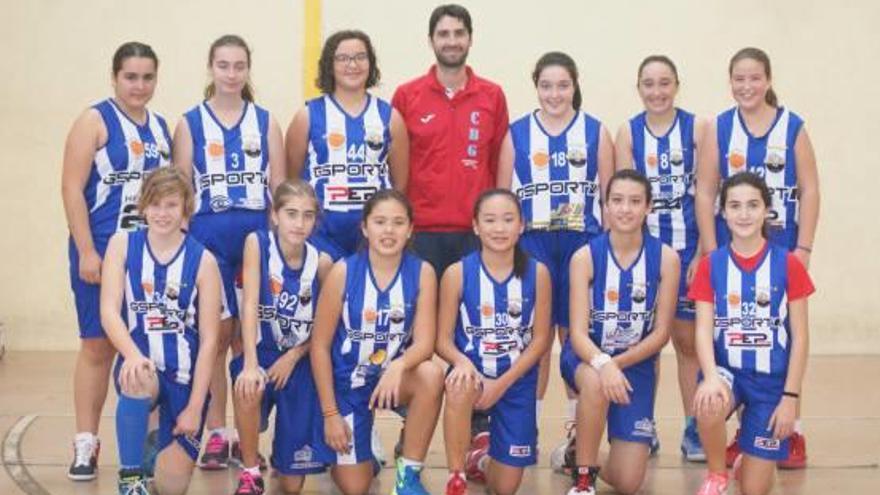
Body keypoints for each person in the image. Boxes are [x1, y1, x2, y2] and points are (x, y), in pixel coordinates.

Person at [695, 47, 819, 469]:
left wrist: (804, 247)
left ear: (768, 80)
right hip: (735, 243)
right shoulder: (719, 127)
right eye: (739, 79)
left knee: (781, 334)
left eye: (754, 78)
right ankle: (745, 430)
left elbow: (810, 189)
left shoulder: (793, 127)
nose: (746, 86)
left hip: (781, 242)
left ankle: (792, 426)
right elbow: (707, 191)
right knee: (742, 330)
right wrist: (712, 250)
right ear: (730, 82)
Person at [496, 51, 614, 472]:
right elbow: (502, 200)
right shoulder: (517, 135)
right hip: (534, 246)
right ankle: (525, 426)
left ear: (574, 85)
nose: (554, 94)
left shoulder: (596, 133)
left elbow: (609, 197)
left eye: (562, 85)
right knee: (536, 340)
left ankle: (573, 428)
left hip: (582, 243)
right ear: (536, 87)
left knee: (575, 336)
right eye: (546, 85)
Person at [173, 34, 285, 470]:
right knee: (216, 337)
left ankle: (247, 434)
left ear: (248, 70)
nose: (232, 74)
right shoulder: (190, 122)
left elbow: (278, 189)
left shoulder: (265, 121)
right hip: (210, 240)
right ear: (211, 68)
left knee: (248, 336)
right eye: (224, 65)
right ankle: (218, 431)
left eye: (239, 66)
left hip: (255, 237)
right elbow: (182, 188)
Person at [61, 41, 171, 481]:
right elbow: (71, 189)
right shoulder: (94, 120)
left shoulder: (161, 127)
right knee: (97, 344)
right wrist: (87, 249)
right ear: (114, 77)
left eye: (147, 77)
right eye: (131, 76)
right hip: (102, 251)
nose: (139, 85)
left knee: (144, 348)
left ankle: (144, 444)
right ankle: (86, 441)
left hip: (147, 256)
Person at [310, 190, 444, 495]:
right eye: (380, 221)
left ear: (410, 229)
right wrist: (331, 415)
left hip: (393, 379)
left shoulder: (422, 272)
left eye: (398, 222)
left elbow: (425, 343)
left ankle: (407, 474)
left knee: (431, 374)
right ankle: (358, 446)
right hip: (349, 384)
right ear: (365, 227)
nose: (388, 230)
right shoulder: (343, 272)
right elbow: (319, 346)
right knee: (355, 487)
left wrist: (399, 365)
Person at [690, 172, 813, 495]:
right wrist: (710, 377)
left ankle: (749, 462)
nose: (743, 214)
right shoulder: (711, 264)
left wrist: (790, 399)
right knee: (707, 402)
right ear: (723, 212)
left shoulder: (788, 264)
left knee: (755, 490)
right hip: (728, 372)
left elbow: (800, 337)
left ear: (766, 211)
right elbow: (703, 330)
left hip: (770, 381)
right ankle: (717, 474)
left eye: (752, 205)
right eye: (735, 206)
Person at [100, 167, 221, 495]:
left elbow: (211, 340)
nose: (162, 213)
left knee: (171, 488)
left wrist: (196, 406)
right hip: (143, 364)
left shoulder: (203, 261)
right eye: (155, 205)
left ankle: (154, 442)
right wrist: (132, 355)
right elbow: (109, 311)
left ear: (186, 208)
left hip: (184, 377)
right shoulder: (122, 244)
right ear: (143, 207)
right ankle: (130, 477)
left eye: (171, 205)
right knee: (137, 376)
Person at [560, 170, 679, 495]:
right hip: (585, 357)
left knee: (628, 482)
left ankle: (577, 450)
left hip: (635, 363)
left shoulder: (666, 258)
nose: (625, 209)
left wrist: (619, 363)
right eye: (617, 200)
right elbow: (578, 333)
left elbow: (661, 334)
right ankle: (584, 479)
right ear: (605, 206)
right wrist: (604, 363)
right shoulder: (585, 257)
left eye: (635, 201)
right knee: (597, 384)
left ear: (649, 207)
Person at [614, 55, 706, 461]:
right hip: (643, 253)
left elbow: (706, 192)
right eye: (648, 84)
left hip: (688, 250)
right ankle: (642, 424)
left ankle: (695, 427)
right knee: (644, 342)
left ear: (676, 85)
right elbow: (622, 200)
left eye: (664, 83)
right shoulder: (628, 132)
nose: (657, 91)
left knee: (688, 341)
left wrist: (705, 250)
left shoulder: (698, 128)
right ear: (638, 88)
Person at [436, 189, 552, 495]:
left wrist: (501, 383)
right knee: (458, 385)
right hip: (473, 374)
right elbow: (442, 341)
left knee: (504, 488)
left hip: (516, 379)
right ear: (475, 226)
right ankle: (456, 475)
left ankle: (482, 459)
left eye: (508, 220)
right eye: (490, 220)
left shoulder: (538, 274)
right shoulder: (457, 273)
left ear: (521, 225)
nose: (499, 228)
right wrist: (462, 363)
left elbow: (541, 341)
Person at [229, 181, 333, 495]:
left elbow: (327, 326)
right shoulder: (257, 243)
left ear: (316, 220)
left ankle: (284, 455)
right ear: (274, 215)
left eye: (307, 216)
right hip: (260, 352)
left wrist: (295, 354)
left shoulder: (323, 263)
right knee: (248, 385)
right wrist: (249, 361)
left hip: (299, 362)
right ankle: (249, 470)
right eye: (291, 214)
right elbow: (248, 304)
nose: (299, 223)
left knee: (292, 484)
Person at [392, 3, 509, 278]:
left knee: (472, 319)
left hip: (476, 231)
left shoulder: (492, 96)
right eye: (443, 34)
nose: (452, 41)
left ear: (470, 38)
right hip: (419, 232)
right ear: (431, 40)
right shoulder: (406, 96)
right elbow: (395, 165)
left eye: (459, 33)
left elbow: (497, 162)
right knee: (423, 319)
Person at [286, 29, 408, 262]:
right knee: (325, 296)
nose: (352, 65)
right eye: (343, 58)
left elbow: (399, 186)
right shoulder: (308, 116)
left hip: (373, 233)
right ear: (329, 65)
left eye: (360, 57)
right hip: (321, 232)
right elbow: (293, 181)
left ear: (371, 63)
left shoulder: (390, 117)